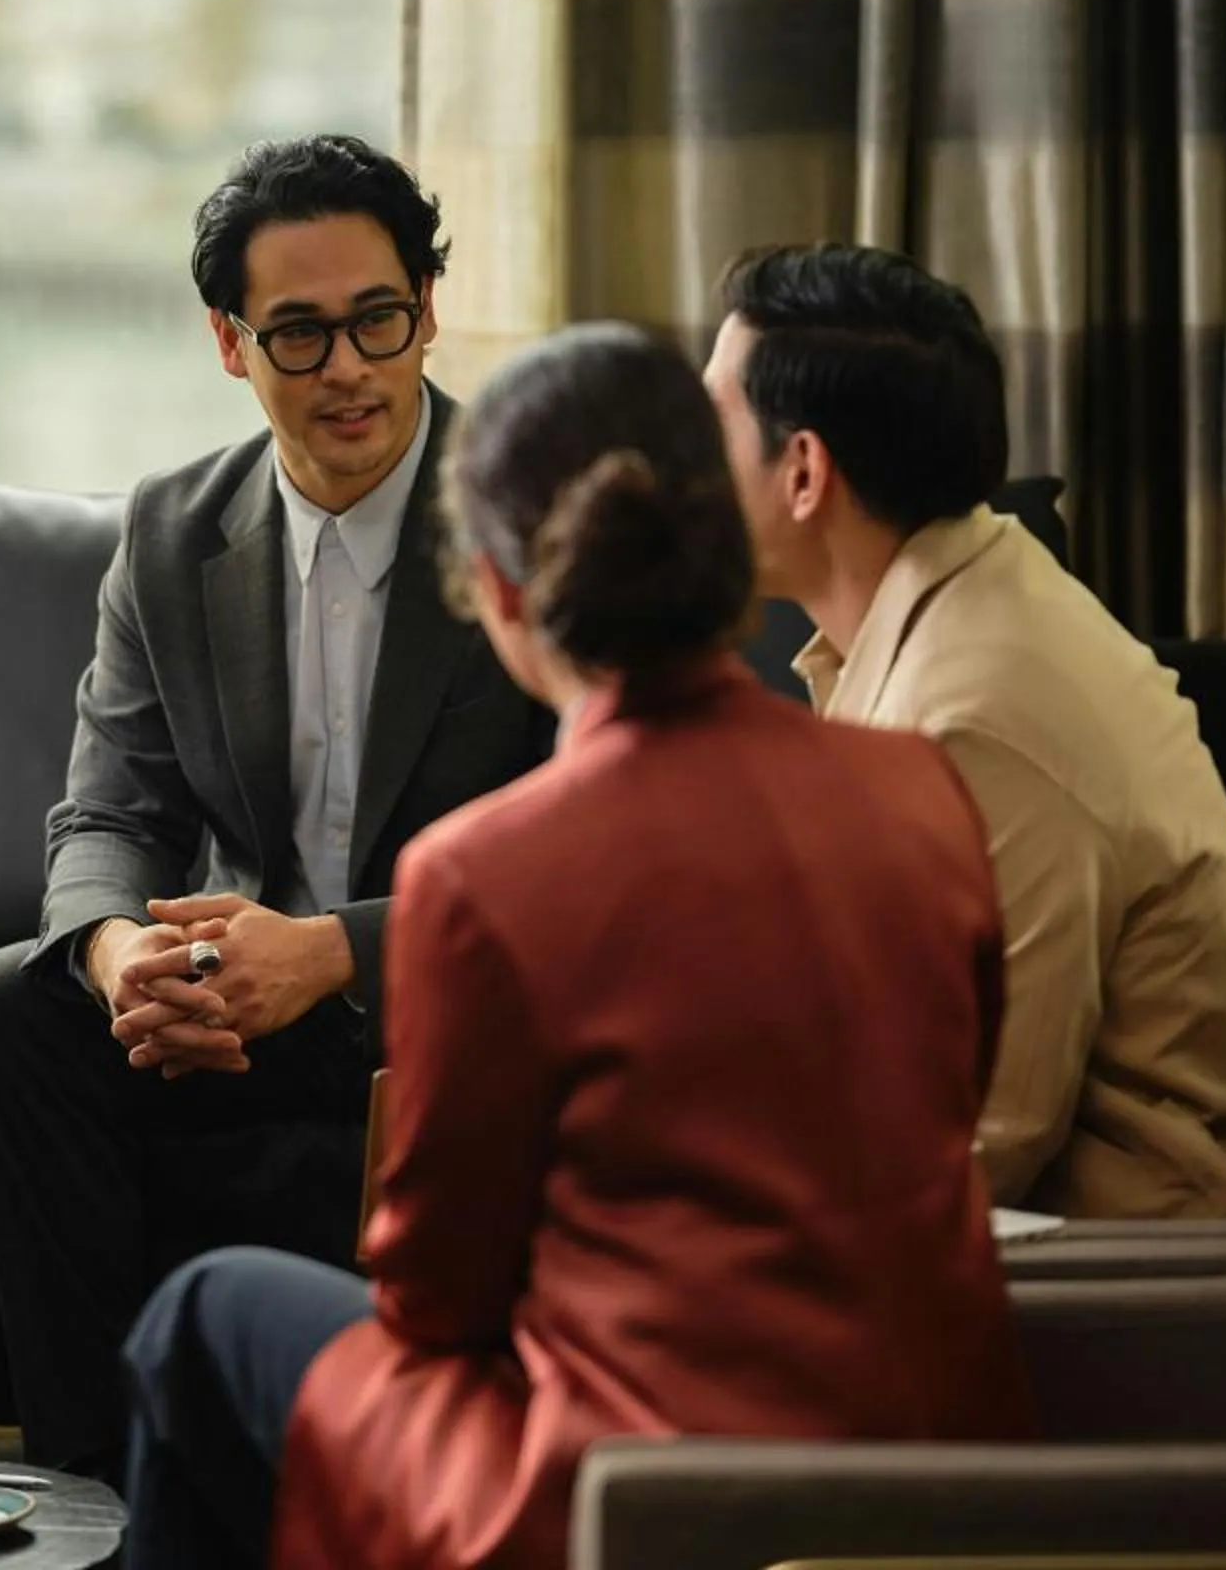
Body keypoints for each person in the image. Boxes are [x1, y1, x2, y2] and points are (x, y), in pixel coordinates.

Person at [121, 323, 1035, 1570]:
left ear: (497, 590)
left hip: (633, 1491)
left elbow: (437, 1292)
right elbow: (952, 1106)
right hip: (919, 1452)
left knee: (202, 1314)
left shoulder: (483, 875)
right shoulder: (922, 788)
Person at [0, 134, 551, 1478]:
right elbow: (107, 813)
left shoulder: (534, 514)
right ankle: (101, 1493)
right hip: (242, 1009)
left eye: (379, 319)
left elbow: (591, 844)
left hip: (455, 994)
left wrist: (333, 951)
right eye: (300, 334)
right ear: (232, 343)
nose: (348, 368)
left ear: (427, 310)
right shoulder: (174, 530)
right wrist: (121, 957)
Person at [703, 245, 1226, 1217]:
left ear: (805, 471)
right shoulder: (958, 601)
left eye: (710, 424)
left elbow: (977, 1135)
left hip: (1145, 1265)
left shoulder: (976, 717)